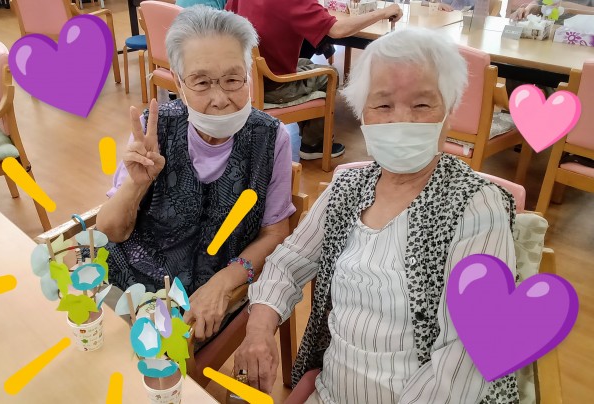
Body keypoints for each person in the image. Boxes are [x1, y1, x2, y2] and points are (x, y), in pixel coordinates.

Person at [233, 27, 519, 403]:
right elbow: (288, 262)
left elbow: (467, 357)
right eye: (382, 105)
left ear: (449, 113)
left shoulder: (476, 205)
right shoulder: (347, 187)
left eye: (422, 105)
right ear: (363, 114)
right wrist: (258, 328)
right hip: (331, 392)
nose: (401, 120)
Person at [96, 6, 295, 344]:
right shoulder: (154, 130)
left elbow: (275, 232)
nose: (220, 99)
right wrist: (137, 184)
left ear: (248, 74)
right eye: (202, 82)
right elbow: (111, 231)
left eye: (233, 79)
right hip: (129, 278)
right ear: (179, 81)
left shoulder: (270, 138)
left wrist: (224, 282)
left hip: (205, 295)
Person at [226, 0, 403, 161]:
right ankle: (314, 144)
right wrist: (383, 12)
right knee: (329, 74)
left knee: (306, 63)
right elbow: (337, 30)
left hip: (247, 79)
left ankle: (309, 133)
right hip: (274, 85)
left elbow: (228, 19)